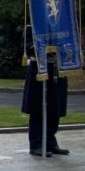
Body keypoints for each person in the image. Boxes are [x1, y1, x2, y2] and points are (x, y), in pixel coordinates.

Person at [22, 24, 69, 156]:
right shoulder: (33, 26)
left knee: (56, 108)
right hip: (40, 70)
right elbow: (29, 49)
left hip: (57, 70)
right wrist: (48, 46)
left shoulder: (61, 26)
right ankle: (36, 144)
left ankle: (50, 142)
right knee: (38, 109)